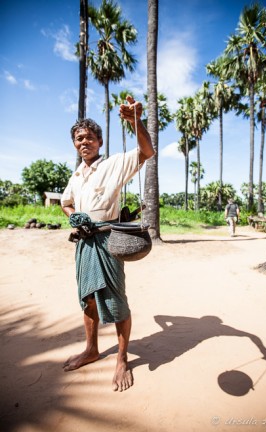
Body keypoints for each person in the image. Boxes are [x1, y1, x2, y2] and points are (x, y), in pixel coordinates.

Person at [61, 95, 155, 392]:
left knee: (116, 300)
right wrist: (75, 216)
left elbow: (147, 151)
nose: (83, 142)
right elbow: (67, 203)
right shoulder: (76, 175)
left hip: (107, 240)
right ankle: (91, 349)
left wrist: (135, 122)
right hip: (84, 244)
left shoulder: (113, 164)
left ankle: (122, 359)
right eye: (78, 139)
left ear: (99, 142)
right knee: (88, 297)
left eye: (89, 137)